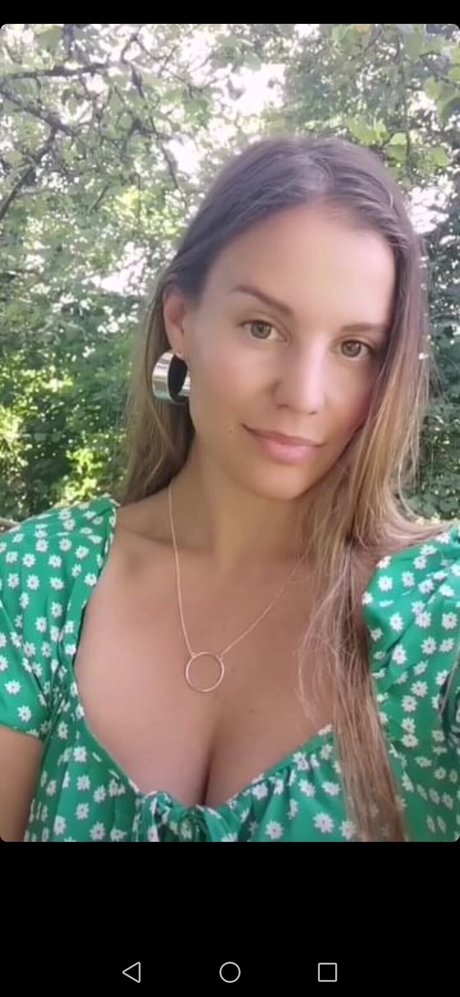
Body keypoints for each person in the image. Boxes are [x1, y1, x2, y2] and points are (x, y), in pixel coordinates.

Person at [0, 135, 459, 843]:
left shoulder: (434, 608)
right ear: (181, 321)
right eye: (262, 327)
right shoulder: (40, 583)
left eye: (353, 347)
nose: (303, 395)